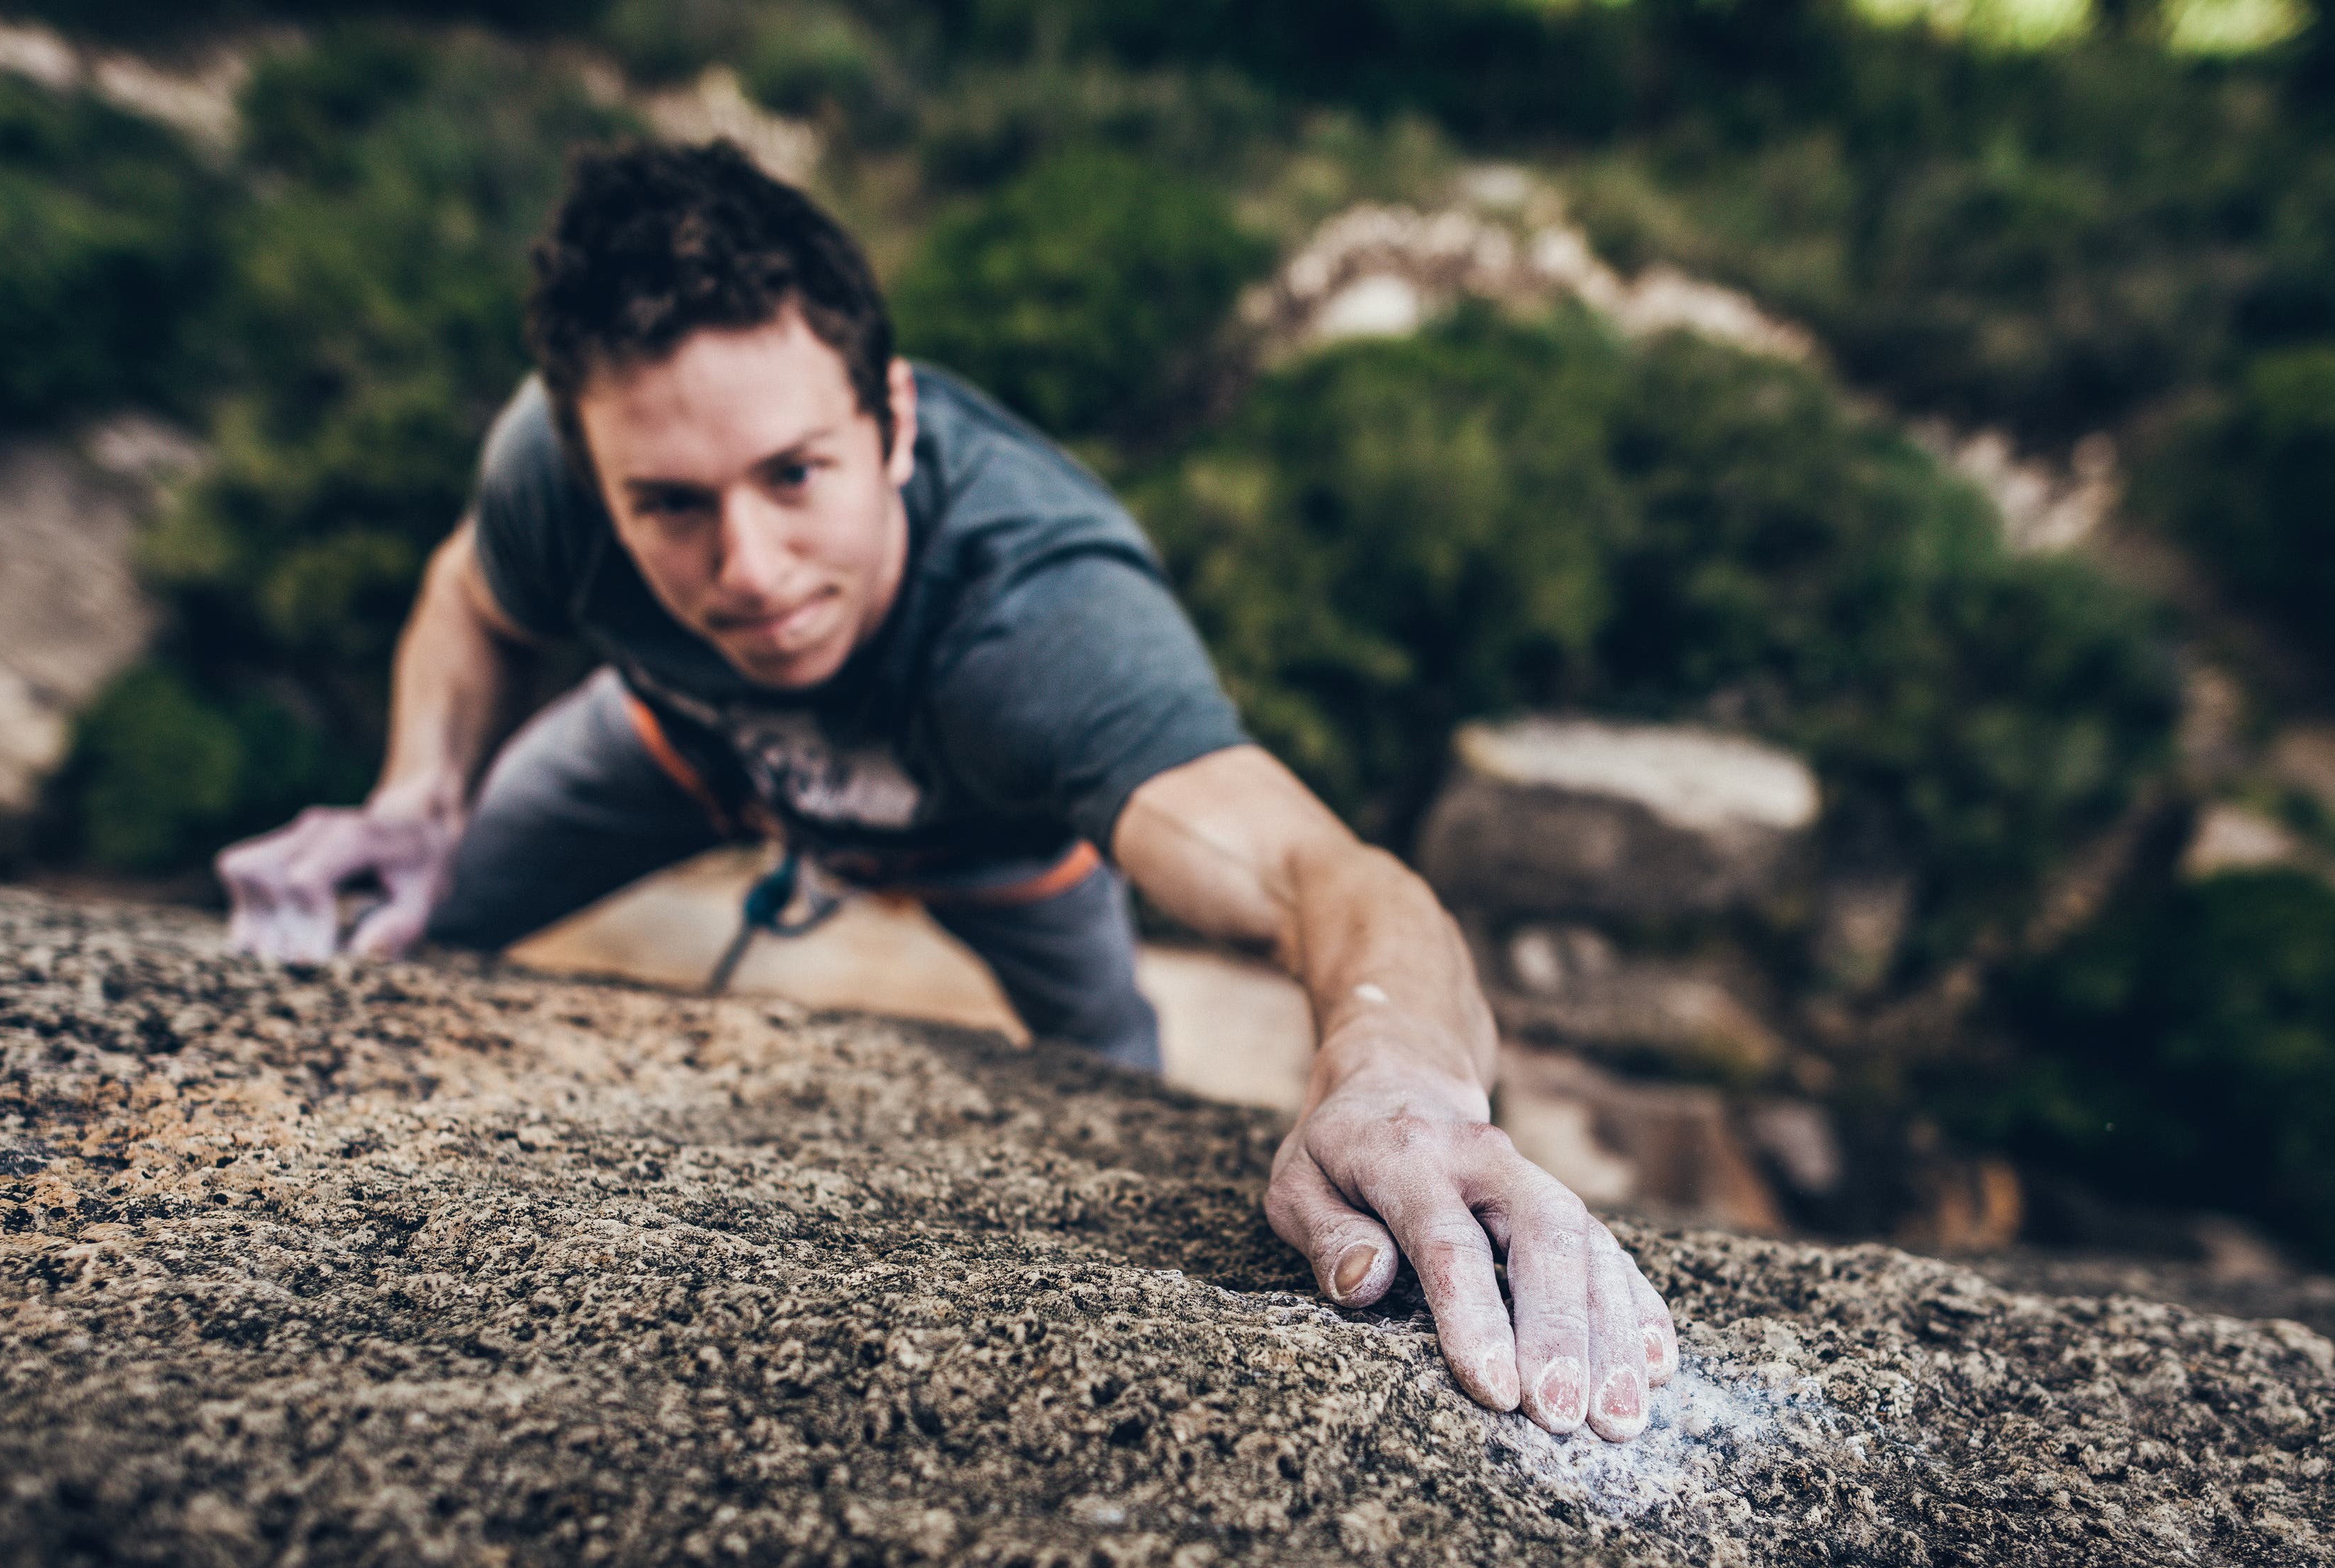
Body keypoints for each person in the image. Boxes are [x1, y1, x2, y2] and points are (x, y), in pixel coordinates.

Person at [218, 139, 1678, 1442]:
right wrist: (415, 796)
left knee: (1110, 1074)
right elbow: (470, 594)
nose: (750, 570)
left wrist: (1398, 1078)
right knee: (386, 940)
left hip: (997, 850)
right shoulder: (560, 468)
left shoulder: (1042, 628)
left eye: (795, 474)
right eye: (671, 505)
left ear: (898, 426)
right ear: (601, 474)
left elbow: (1326, 879)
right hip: (681, 748)